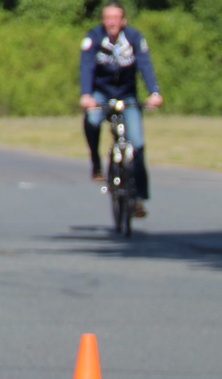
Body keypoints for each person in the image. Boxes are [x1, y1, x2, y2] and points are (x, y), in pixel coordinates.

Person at [79, 1, 163, 218]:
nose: (112, 22)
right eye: (108, 18)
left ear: (123, 20)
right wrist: (86, 94)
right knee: (92, 120)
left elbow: (145, 64)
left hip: (127, 94)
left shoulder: (134, 37)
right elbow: (86, 65)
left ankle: (139, 198)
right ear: (103, 20)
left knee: (138, 144)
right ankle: (96, 163)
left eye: (116, 18)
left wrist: (154, 92)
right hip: (101, 92)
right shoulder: (94, 37)